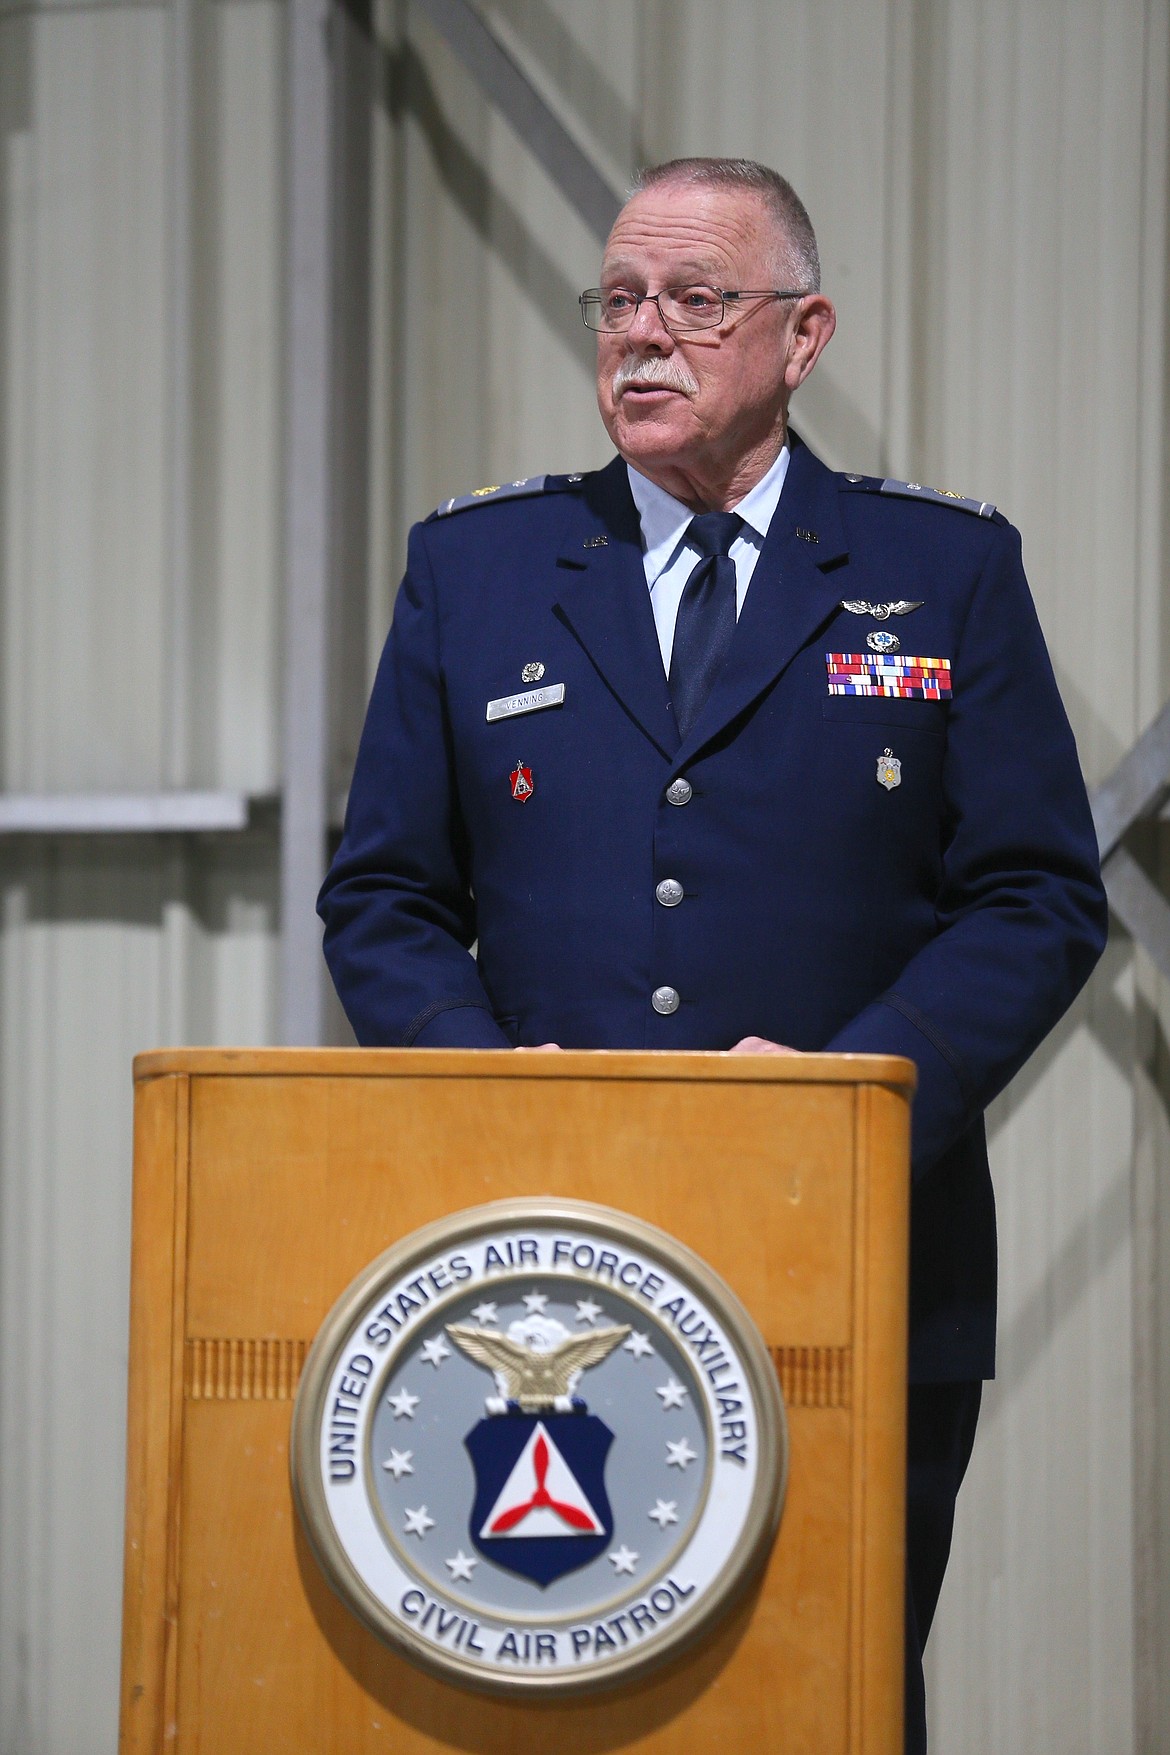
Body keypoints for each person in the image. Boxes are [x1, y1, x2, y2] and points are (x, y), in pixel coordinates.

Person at [318, 157, 1107, 1749]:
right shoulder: (476, 575)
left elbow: (1033, 893)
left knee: (825, 1696)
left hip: (850, 1254)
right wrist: (489, 1088)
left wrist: (853, 1095)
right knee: (553, 1687)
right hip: (544, 1270)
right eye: (618, 300)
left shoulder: (938, 573)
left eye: (693, 299)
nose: (642, 337)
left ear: (801, 334)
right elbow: (384, 898)